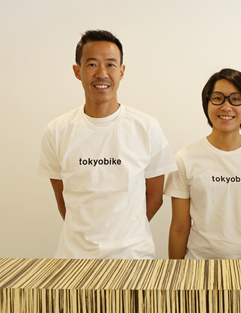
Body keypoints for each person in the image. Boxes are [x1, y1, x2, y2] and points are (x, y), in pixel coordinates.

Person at [38, 30, 177, 259]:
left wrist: (126, 234)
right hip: (74, 259)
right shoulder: (57, 130)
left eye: (110, 64)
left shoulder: (147, 127)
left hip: (132, 258)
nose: (102, 73)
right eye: (92, 64)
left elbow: (155, 198)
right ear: (77, 71)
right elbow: (64, 201)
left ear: (121, 71)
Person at [166, 68, 241, 259]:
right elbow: (179, 228)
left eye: (236, 99)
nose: (226, 106)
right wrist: (176, 272)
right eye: (218, 98)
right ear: (207, 103)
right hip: (200, 265)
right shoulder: (185, 158)